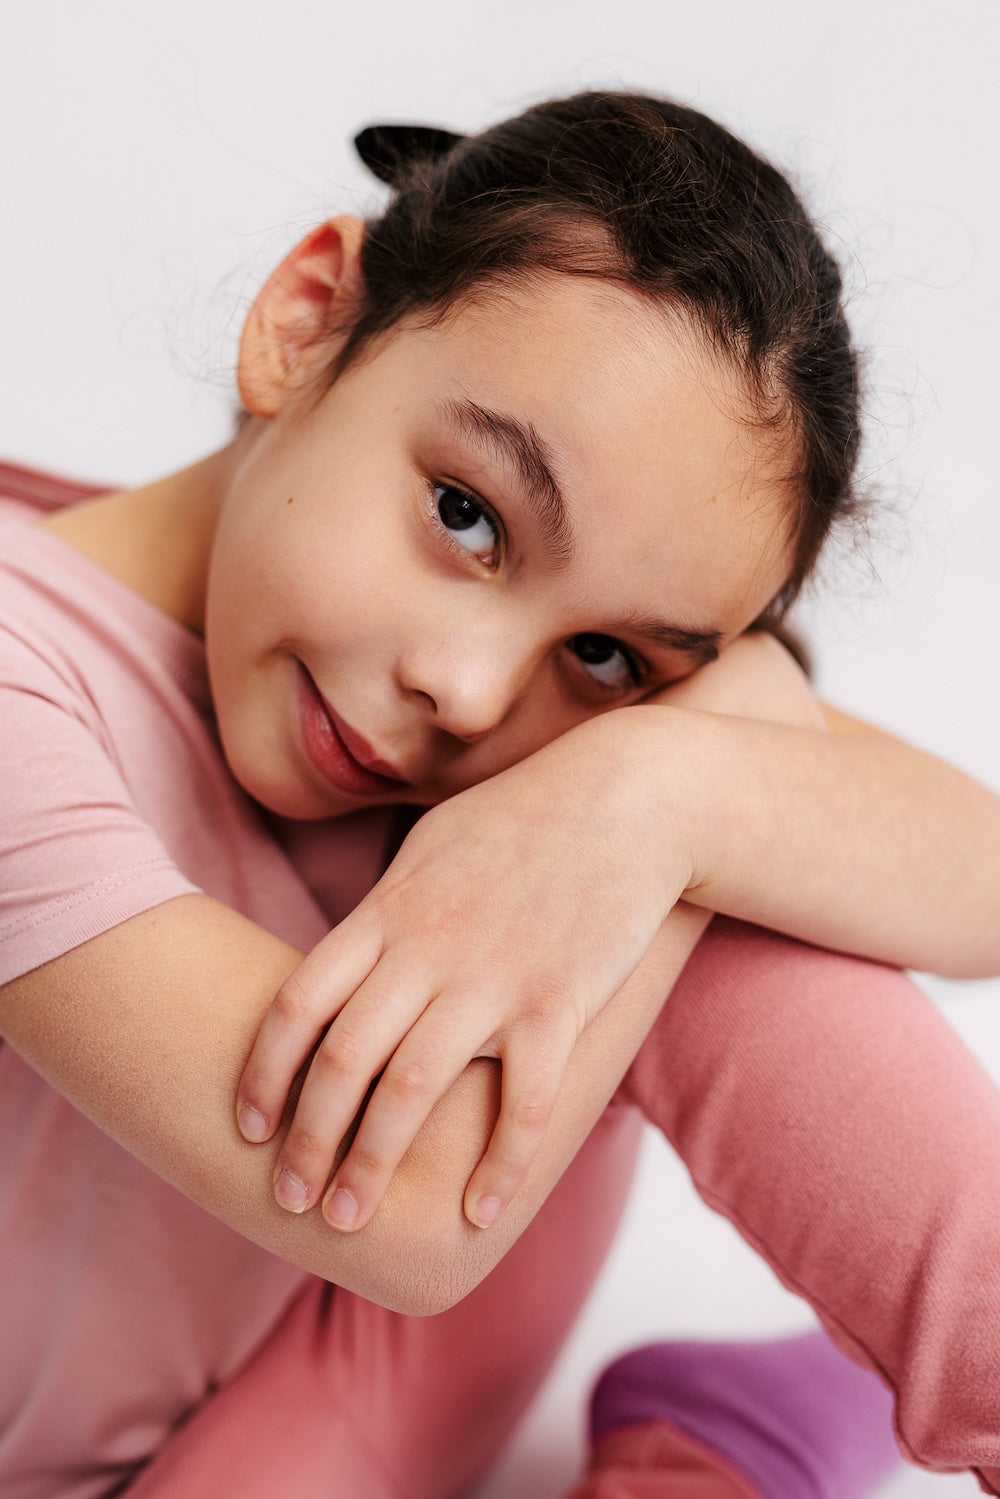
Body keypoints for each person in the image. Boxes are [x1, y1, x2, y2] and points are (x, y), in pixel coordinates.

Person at [1, 90, 998, 1499]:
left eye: (605, 652)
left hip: (338, 1375)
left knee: (693, 877)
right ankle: (733, 1445)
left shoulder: (533, 738)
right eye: (467, 513)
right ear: (306, 320)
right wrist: (695, 762)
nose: (467, 695)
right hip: (356, 1284)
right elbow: (403, 1213)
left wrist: (663, 785)